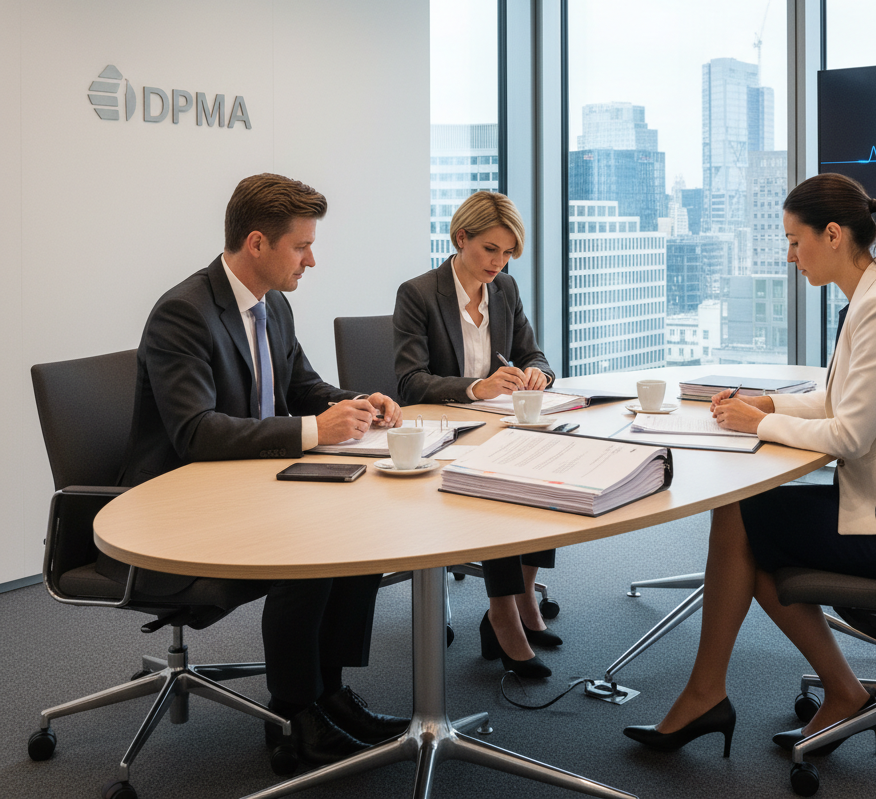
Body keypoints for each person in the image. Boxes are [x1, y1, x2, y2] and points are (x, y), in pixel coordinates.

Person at [623, 172, 876, 756]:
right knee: (747, 526)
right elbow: (839, 401)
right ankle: (822, 692)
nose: (788, 256)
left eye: (793, 240)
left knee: (743, 522)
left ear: (832, 234)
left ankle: (717, 693)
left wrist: (757, 424)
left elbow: (851, 434)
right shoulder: (871, 297)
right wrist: (769, 404)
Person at [116, 173, 408, 766]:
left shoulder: (272, 307)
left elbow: (302, 386)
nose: (312, 260)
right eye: (301, 246)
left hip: (248, 485)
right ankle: (293, 717)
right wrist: (312, 431)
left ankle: (329, 695)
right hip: (177, 507)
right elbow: (195, 431)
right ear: (257, 243)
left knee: (356, 532)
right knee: (312, 544)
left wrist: (356, 404)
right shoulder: (183, 313)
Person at [393, 191, 560, 678]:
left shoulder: (504, 290)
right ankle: (502, 618)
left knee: (550, 467)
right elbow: (409, 381)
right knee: (500, 481)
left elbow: (536, 355)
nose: (500, 262)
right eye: (491, 249)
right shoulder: (419, 293)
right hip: (444, 430)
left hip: (499, 425)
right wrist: (476, 387)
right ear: (461, 237)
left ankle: (525, 598)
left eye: (507, 253)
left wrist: (537, 376)